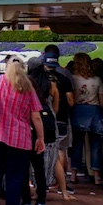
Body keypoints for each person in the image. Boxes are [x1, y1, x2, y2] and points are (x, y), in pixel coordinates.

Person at [0, 56, 45, 205]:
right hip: (20, 139)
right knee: (15, 178)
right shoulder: (28, 86)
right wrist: (40, 138)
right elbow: (36, 116)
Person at [22, 57, 59, 205]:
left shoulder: (25, 86)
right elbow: (55, 108)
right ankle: (41, 197)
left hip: (27, 131)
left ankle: (26, 198)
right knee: (39, 167)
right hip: (44, 126)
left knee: (25, 167)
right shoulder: (49, 83)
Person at [42, 51, 75, 200]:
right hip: (61, 119)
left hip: (44, 120)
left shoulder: (39, 80)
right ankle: (61, 185)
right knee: (61, 152)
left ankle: (42, 183)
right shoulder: (64, 79)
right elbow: (71, 101)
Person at [69, 52, 103, 185]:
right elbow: (101, 102)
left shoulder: (72, 79)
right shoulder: (97, 80)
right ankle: (97, 176)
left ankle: (73, 175)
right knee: (95, 146)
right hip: (94, 112)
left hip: (78, 111)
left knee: (77, 144)